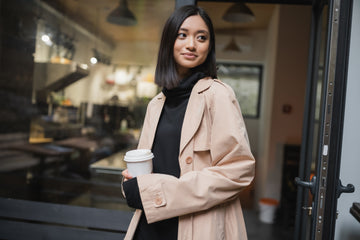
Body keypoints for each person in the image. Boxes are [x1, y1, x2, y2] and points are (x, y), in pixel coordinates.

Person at [122, 5, 255, 240]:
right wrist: (131, 184)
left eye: (201, 37)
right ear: (169, 41)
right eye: (182, 35)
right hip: (150, 226)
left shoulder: (218, 95)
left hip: (197, 227)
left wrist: (162, 192)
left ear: (209, 47)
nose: (192, 44)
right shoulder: (156, 103)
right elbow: (147, 166)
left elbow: (238, 170)